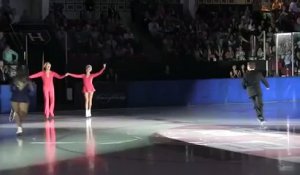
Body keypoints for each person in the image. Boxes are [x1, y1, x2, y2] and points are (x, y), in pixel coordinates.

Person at [10, 65, 34, 135]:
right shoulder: (27, 80)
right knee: (21, 113)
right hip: (21, 98)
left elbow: (11, 89)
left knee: (20, 113)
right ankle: (19, 127)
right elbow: (32, 91)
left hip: (17, 98)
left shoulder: (15, 79)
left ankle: (17, 120)